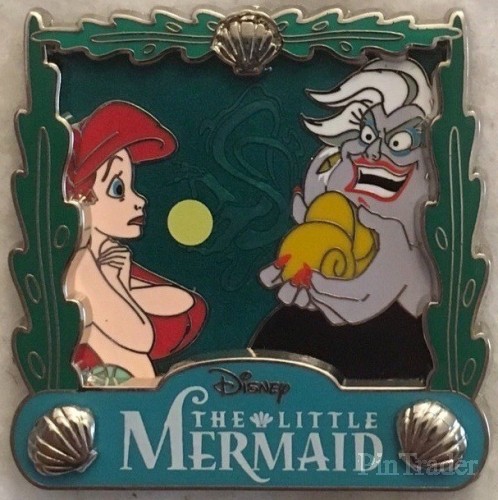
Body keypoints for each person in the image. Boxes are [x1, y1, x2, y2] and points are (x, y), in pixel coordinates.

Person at [252, 59, 437, 382]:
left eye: (400, 143)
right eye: (367, 134)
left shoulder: (432, 314)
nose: (374, 152)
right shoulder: (290, 325)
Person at [64, 101, 207, 386]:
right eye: (118, 189)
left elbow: (183, 304)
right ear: (80, 195)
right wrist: (116, 283)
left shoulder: (108, 260)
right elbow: (140, 335)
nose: (139, 200)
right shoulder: (79, 264)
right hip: (107, 388)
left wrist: (120, 282)